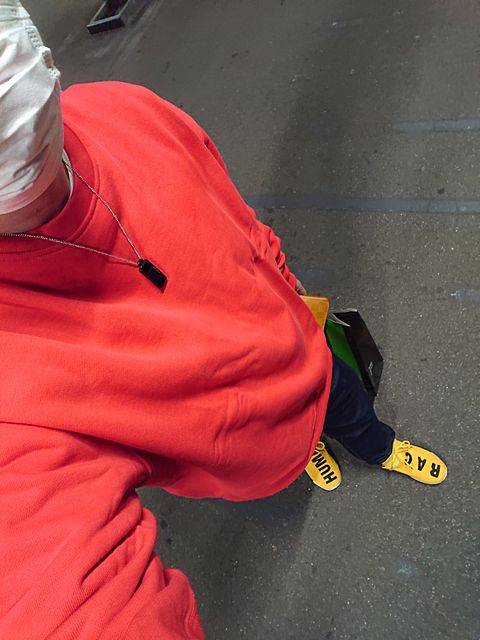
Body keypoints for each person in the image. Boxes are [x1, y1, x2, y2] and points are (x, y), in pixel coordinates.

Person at [0, 2, 447, 638]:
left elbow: (235, 217)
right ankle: (307, 453)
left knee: (354, 413)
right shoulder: (13, 381)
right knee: (298, 447)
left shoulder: (127, 110)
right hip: (253, 439)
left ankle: (378, 447)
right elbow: (56, 588)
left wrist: (286, 281)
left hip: (304, 350)